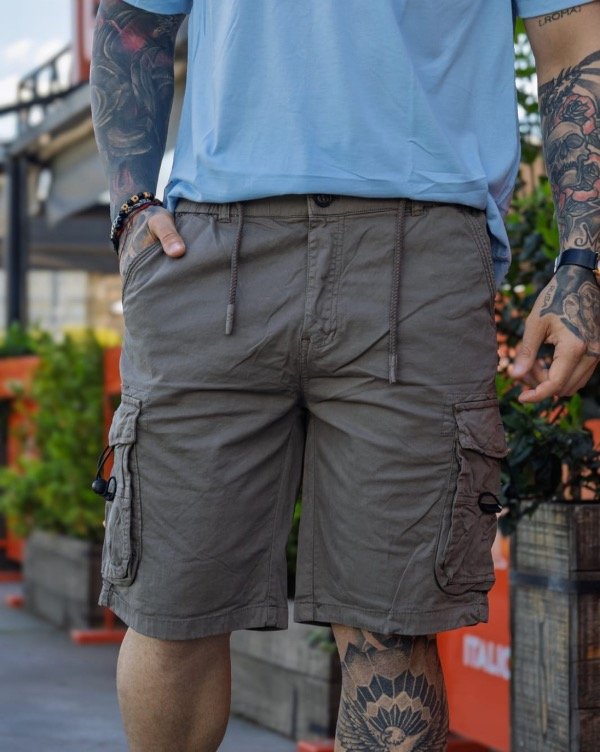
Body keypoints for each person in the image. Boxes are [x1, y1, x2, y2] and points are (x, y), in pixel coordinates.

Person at [90, 1, 600, 750]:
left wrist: (584, 260)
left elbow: (573, 42)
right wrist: (131, 205)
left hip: (420, 254)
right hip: (209, 248)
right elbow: (133, 21)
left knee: (393, 626)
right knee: (172, 610)